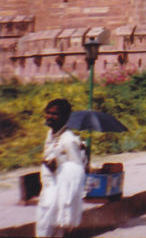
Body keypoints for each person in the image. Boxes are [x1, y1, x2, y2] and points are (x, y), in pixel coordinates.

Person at [36, 98, 86, 238]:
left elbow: (77, 169)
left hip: (59, 196)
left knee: (50, 231)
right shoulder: (50, 135)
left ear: (65, 117)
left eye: (54, 114)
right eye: (48, 113)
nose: (50, 117)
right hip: (47, 191)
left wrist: (58, 167)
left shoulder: (69, 140)